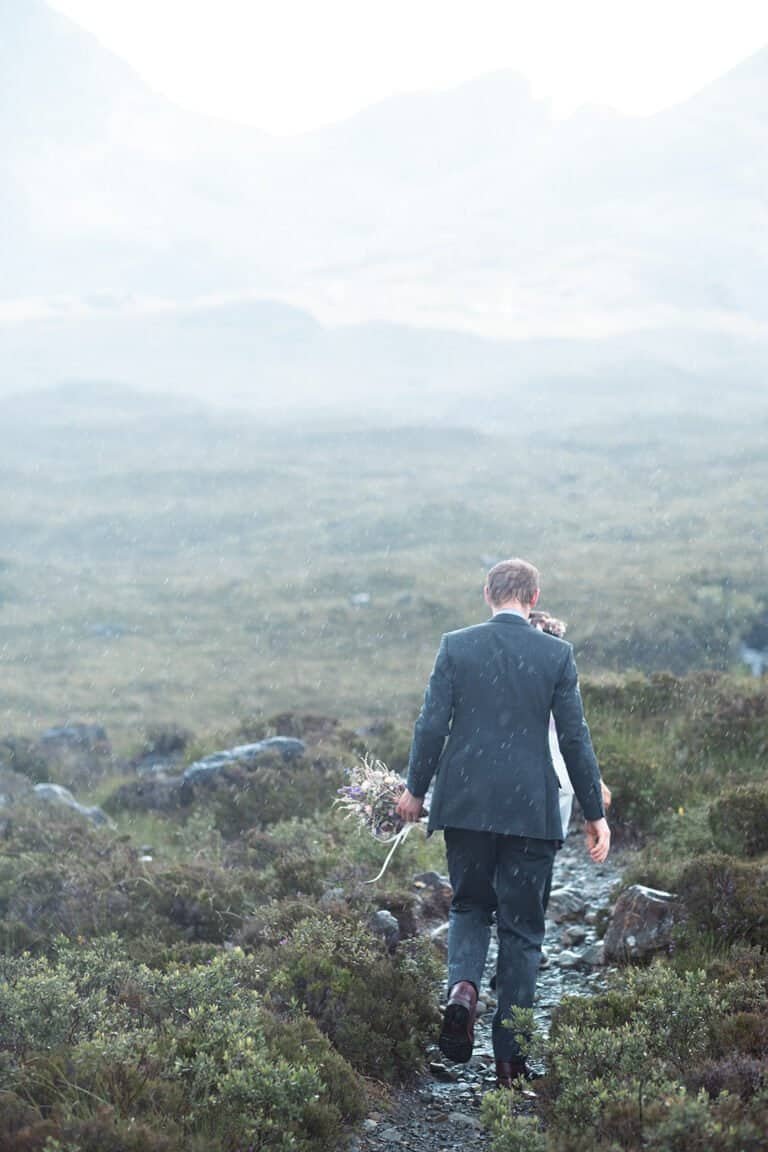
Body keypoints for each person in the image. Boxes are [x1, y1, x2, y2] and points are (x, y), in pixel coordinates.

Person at [396, 558, 610, 1088]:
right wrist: (595, 812)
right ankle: (510, 1062)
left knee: (469, 905)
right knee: (522, 932)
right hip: (529, 812)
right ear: (533, 597)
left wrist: (414, 790)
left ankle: (463, 991)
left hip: (465, 805)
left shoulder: (456, 645)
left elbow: (431, 726)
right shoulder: (555, 654)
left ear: (486, 594)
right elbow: (574, 740)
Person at [529, 610, 612, 834]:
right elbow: (575, 740)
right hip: (553, 783)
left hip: (551, 783)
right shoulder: (557, 676)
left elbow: (574, 739)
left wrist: (597, 783)